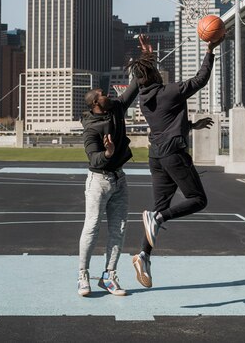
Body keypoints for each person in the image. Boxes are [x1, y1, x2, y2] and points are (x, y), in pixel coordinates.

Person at [128, 32, 225, 289]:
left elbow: (167, 122)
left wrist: (191, 124)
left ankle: (143, 255)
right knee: (197, 199)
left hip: (156, 155)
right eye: (156, 70)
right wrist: (210, 50)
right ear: (155, 75)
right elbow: (200, 79)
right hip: (173, 154)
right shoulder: (169, 91)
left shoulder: (145, 98)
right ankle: (158, 219)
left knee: (158, 207)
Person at [78, 78, 138, 297]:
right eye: (103, 93)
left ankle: (108, 276)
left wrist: (145, 60)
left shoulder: (116, 109)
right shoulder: (91, 129)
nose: (107, 95)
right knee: (92, 227)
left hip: (119, 178)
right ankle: (83, 275)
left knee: (119, 229)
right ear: (95, 102)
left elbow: (135, 86)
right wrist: (108, 154)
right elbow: (94, 159)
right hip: (98, 182)